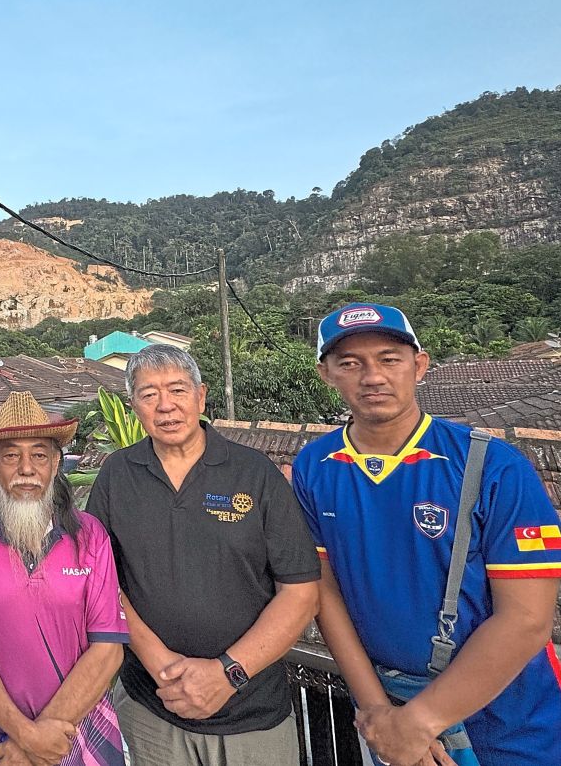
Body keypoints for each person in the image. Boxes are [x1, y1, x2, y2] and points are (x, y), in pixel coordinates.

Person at [292, 302, 561, 766]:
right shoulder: (315, 468)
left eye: (389, 359)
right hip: (389, 710)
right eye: (350, 363)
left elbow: (528, 619)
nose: (372, 376)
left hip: (507, 718)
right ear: (326, 374)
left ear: (419, 365)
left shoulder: (495, 467)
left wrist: (420, 722)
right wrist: (379, 713)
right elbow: (324, 592)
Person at [86, 344, 319, 766]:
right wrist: (162, 666)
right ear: (133, 406)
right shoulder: (116, 475)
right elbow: (102, 583)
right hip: (152, 707)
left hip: (253, 712)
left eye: (177, 390)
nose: (165, 406)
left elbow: (300, 591)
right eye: (149, 394)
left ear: (201, 396)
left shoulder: (254, 473)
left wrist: (228, 673)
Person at [0, 391, 128, 766]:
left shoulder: (90, 536)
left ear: (55, 463)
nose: (26, 468)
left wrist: (30, 747)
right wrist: (26, 735)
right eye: (10, 455)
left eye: (39, 454)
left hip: (80, 740)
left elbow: (107, 650)